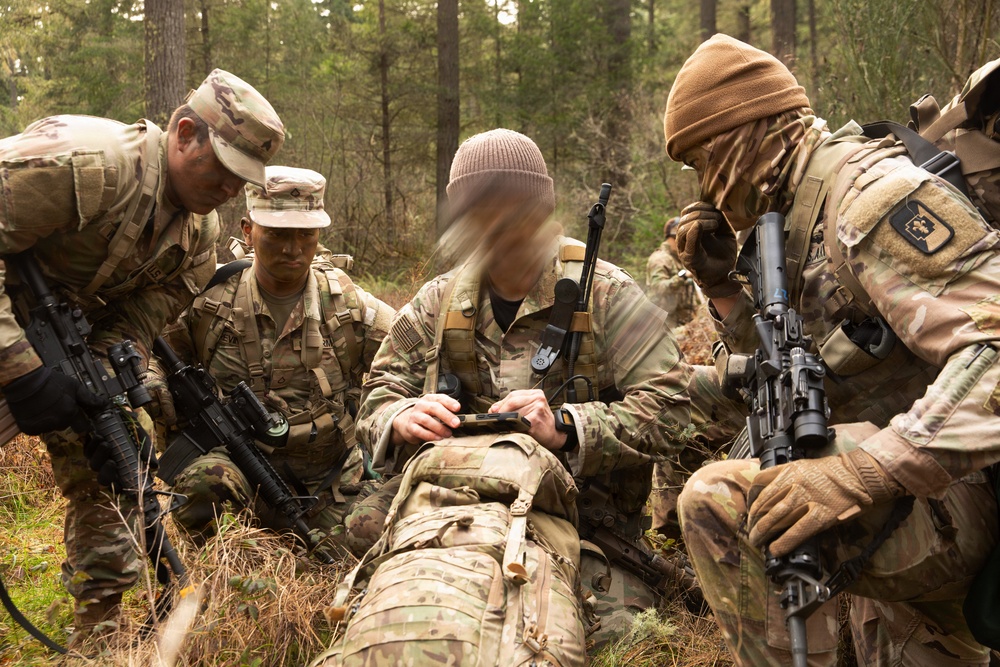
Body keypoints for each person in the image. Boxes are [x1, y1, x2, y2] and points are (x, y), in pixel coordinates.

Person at [665, 34, 1000, 665]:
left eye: (702, 160)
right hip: (916, 486)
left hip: (957, 485)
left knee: (721, 502)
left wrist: (863, 473)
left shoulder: (868, 201)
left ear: (743, 135)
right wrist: (721, 287)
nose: (705, 187)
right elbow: (800, 365)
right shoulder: (790, 215)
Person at [352, 128, 692, 646]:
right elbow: (378, 393)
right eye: (480, 213)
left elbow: (672, 408)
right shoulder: (436, 303)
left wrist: (567, 428)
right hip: (454, 503)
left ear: (542, 207)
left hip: (581, 519)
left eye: (511, 209)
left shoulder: (607, 295)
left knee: (614, 636)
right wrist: (400, 418)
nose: (498, 227)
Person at [0, 69, 284, 641]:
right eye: (225, 169)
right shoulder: (86, 165)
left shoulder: (199, 241)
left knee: (118, 446)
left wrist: (92, 384)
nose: (232, 189)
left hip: (53, 339)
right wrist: (22, 367)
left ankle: (98, 636)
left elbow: (137, 320)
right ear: (184, 133)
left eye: (244, 179)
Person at [149, 166, 395, 556]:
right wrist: (153, 382)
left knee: (368, 538)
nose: (293, 249)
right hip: (237, 474)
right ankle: (225, 564)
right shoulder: (210, 301)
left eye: (306, 235)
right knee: (202, 484)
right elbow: (152, 349)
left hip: (328, 482)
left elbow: (410, 360)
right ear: (248, 230)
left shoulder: (348, 306)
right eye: (278, 234)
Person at [645, 216, 704, 329]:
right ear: (675, 238)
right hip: (667, 324)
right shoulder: (660, 259)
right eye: (684, 240)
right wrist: (683, 277)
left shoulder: (679, 258)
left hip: (684, 320)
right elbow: (658, 287)